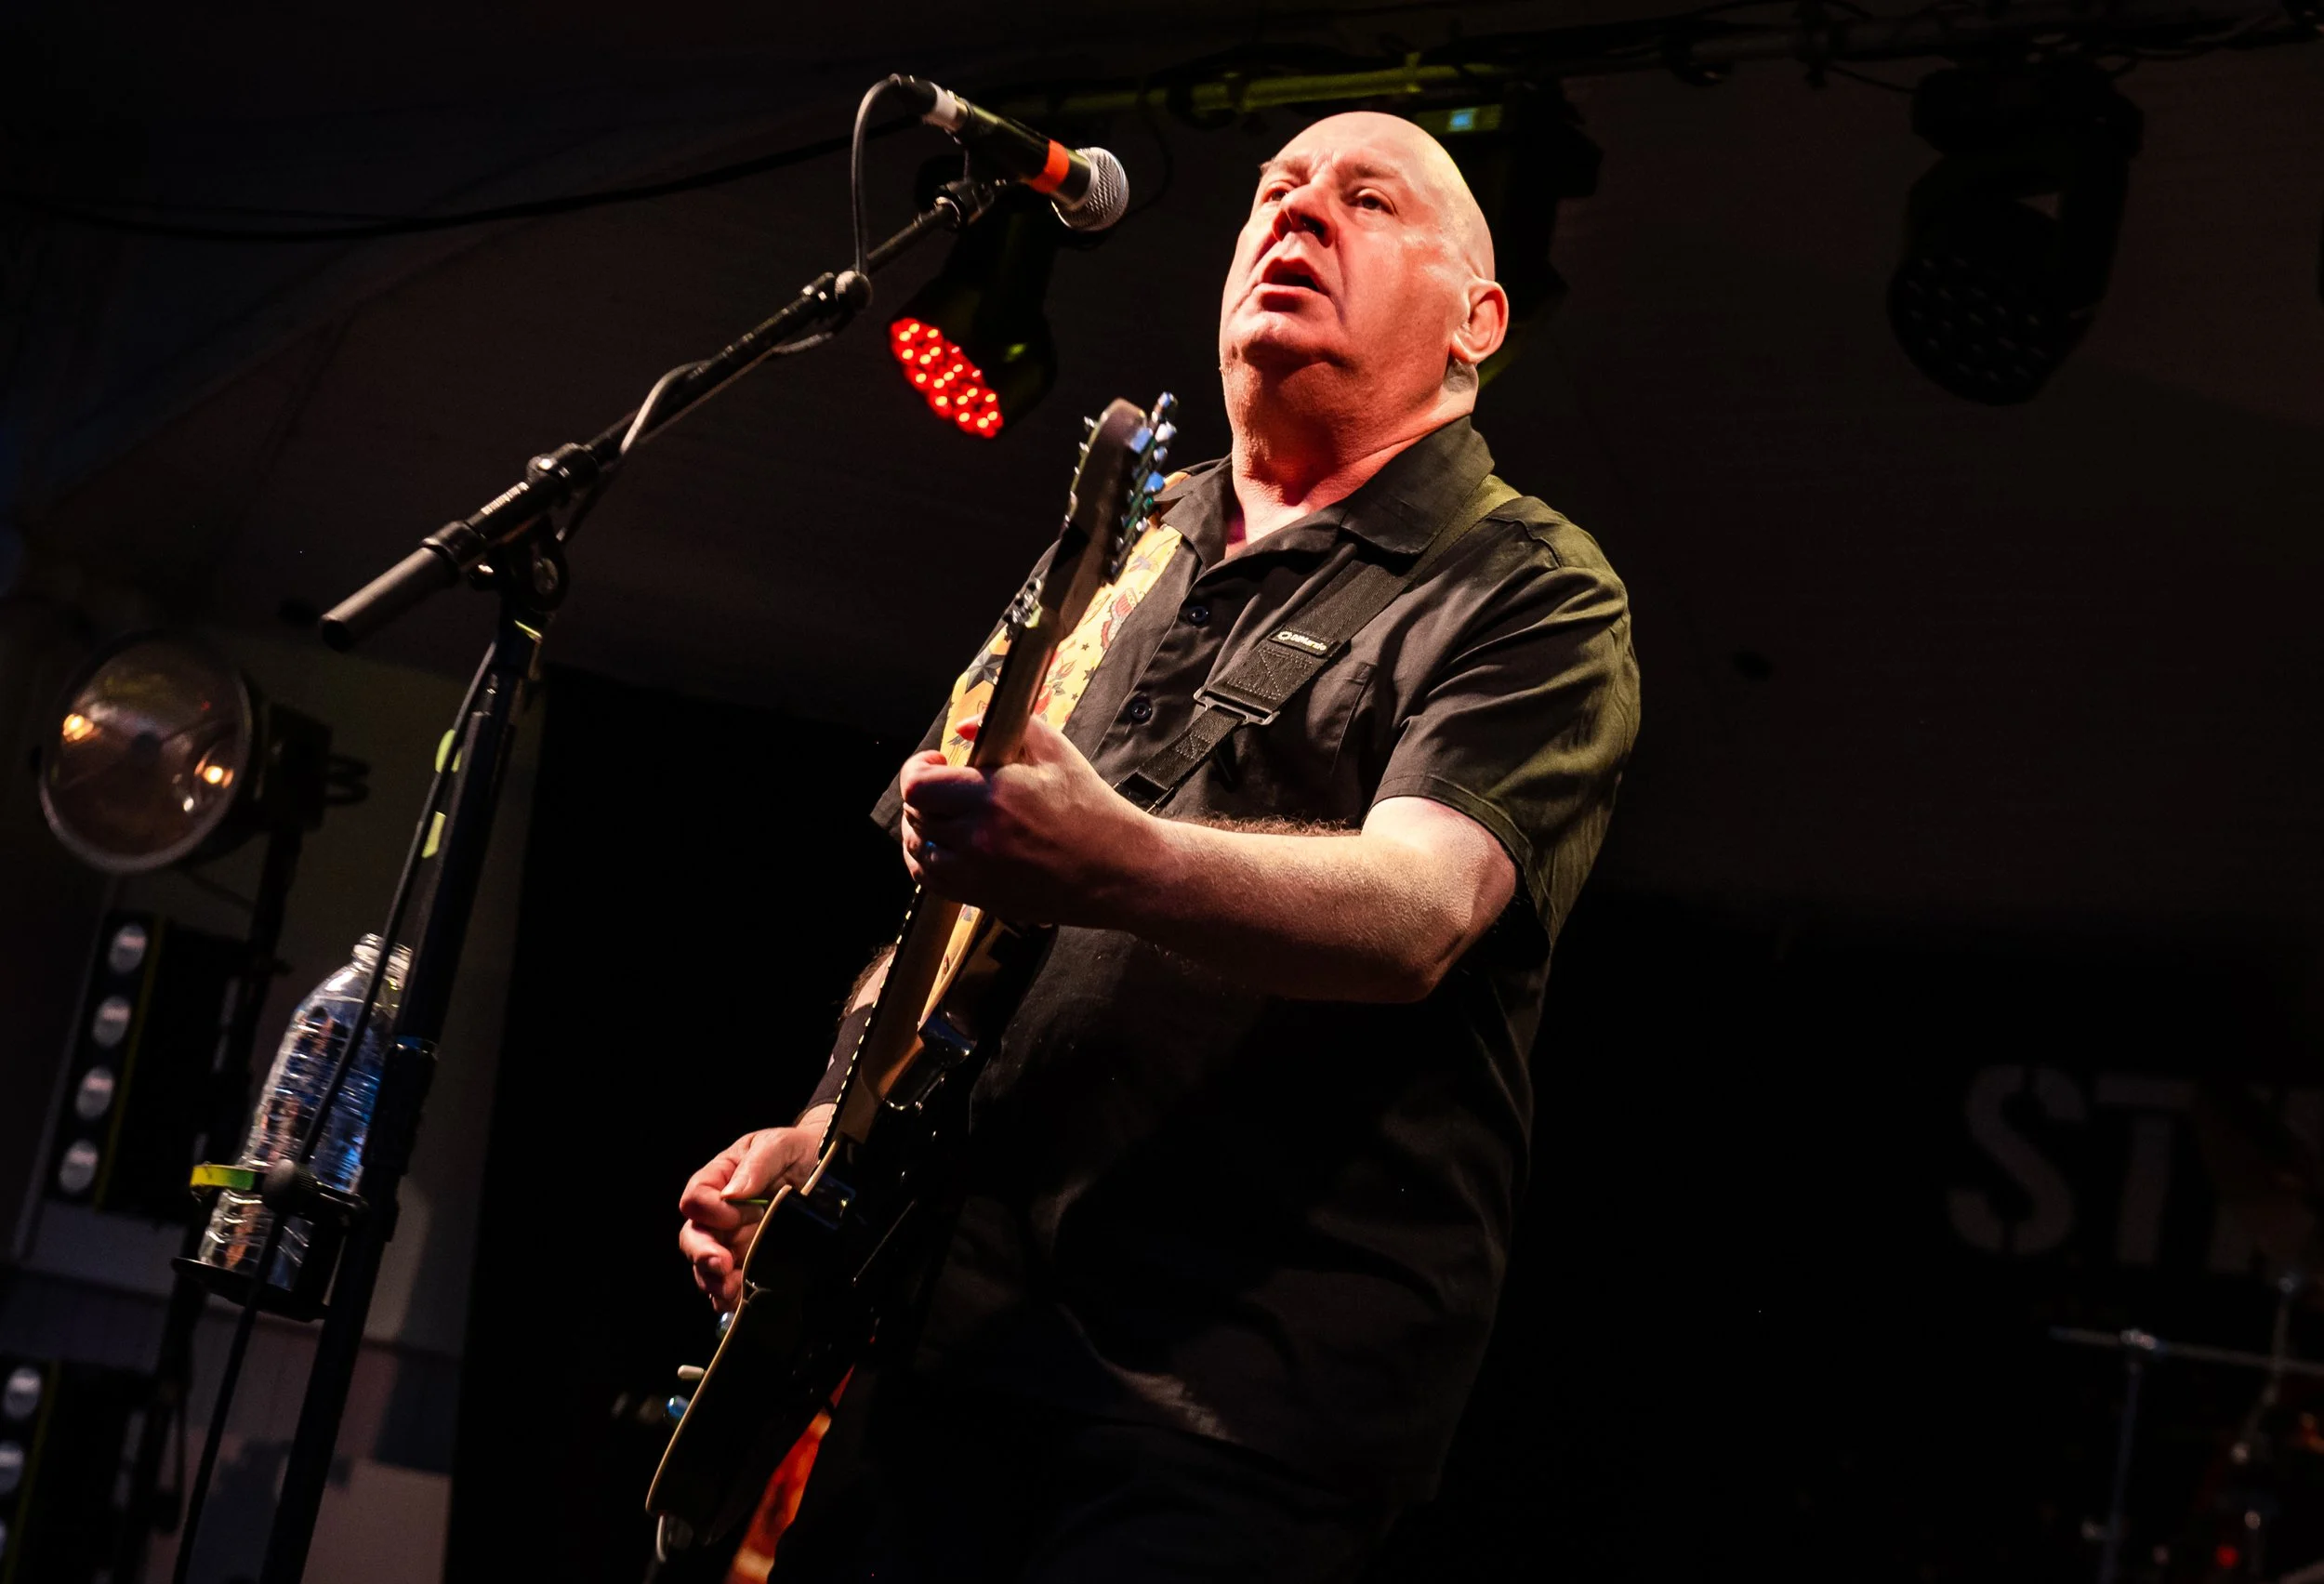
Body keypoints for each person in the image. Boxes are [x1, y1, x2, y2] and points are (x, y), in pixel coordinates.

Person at [677, 110, 1641, 1583]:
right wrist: (830, 1130)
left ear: (1478, 322)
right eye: (1276, 191)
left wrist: (1117, 861)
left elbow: (1423, 909)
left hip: (1231, 1401)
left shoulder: (1534, 588)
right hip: (947, 1340)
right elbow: (951, 912)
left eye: (1368, 200)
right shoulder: (1116, 550)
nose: (1297, 216)